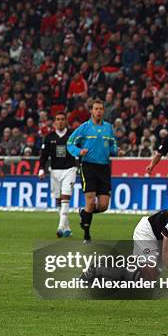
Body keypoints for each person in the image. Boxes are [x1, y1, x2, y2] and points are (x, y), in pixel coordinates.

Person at [82, 198, 168, 284]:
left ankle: (103, 267)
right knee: (148, 274)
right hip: (149, 232)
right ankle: (98, 269)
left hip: (163, 243)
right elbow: (167, 254)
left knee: (144, 279)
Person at [67, 99, 117, 243]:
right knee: (90, 201)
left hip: (104, 168)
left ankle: (84, 213)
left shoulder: (108, 127)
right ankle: (86, 235)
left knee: (103, 206)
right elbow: (70, 143)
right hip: (88, 166)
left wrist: (115, 150)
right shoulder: (84, 127)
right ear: (91, 111)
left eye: (101, 109)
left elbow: (112, 143)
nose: (99, 111)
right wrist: (78, 151)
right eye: (96, 109)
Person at [38, 111, 77, 238]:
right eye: (58, 119)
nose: (60, 121)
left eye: (62, 119)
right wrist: (41, 169)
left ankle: (60, 228)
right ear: (55, 122)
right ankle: (67, 228)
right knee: (58, 199)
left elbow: (78, 150)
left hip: (69, 169)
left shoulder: (72, 136)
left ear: (66, 121)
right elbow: (44, 155)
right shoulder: (49, 137)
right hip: (54, 171)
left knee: (66, 197)